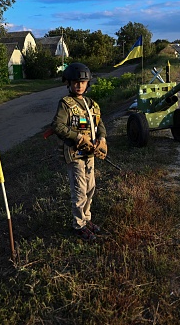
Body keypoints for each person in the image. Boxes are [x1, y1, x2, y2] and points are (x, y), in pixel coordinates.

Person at [51, 62, 107, 241]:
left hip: (90, 154)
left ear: (88, 83)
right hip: (74, 154)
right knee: (79, 190)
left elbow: (100, 124)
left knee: (91, 188)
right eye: (75, 82)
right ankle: (78, 225)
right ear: (68, 83)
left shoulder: (92, 104)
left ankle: (86, 219)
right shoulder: (65, 104)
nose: (79, 85)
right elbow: (57, 126)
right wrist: (77, 137)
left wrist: (102, 139)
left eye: (82, 82)